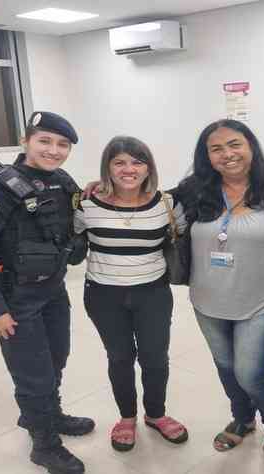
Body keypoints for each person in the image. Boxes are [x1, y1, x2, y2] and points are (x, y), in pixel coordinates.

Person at [0, 111, 94, 474]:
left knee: (56, 359)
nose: (54, 150)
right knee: (33, 374)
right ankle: (44, 445)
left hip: (53, 290)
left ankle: (52, 414)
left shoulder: (62, 181)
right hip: (16, 301)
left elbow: (74, 222)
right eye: (44, 141)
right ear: (25, 141)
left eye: (62, 144)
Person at [172, 119, 264, 465]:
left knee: (251, 371)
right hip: (207, 300)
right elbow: (144, 199)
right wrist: (100, 188)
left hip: (263, 300)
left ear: (251, 145)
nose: (227, 154)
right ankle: (244, 418)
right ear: (206, 156)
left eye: (234, 144)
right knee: (226, 366)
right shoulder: (193, 189)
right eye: (216, 148)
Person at [73, 136, 189, 452]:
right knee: (120, 358)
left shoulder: (167, 203)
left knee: (155, 358)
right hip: (103, 295)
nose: (129, 169)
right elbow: (66, 237)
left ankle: (156, 414)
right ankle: (127, 418)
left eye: (137, 162)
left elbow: (187, 236)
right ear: (107, 168)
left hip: (152, 293)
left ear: (148, 167)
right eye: (119, 162)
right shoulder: (84, 203)